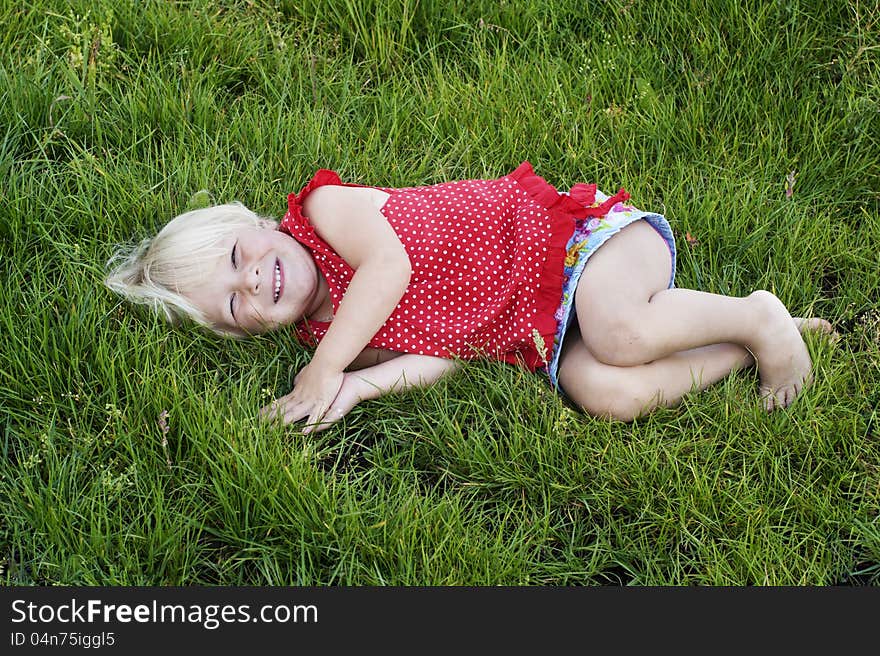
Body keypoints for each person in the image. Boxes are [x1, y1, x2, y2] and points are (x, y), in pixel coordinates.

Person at [105, 161, 833, 434]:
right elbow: (444, 356)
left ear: (258, 224)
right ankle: (732, 348)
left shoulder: (326, 214)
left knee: (617, 332)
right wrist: (355, 387)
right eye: (236, 303)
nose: (255, 278)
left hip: (570, 245)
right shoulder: (326, 333)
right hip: (538, 323)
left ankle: (758, 315)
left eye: (239, 255)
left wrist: (326, 367)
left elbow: (388, 267)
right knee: (602, 390)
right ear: (247, 333)